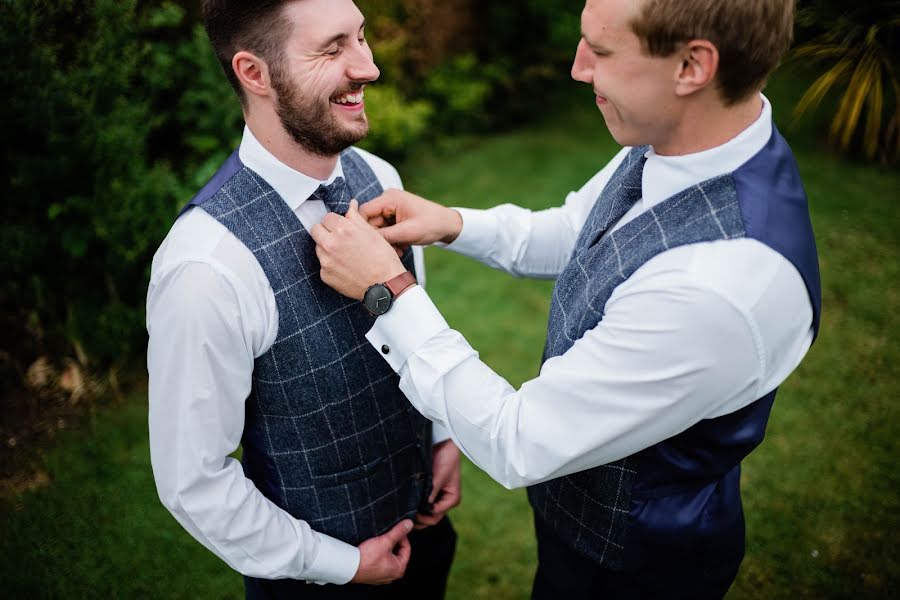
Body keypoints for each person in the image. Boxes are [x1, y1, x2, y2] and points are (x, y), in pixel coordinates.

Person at [311, 0, 820, 597]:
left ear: (691, 67)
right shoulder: (681, 137)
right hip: (577, 529)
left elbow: (519, 440)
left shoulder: (718, 289)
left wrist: (390, 293)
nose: (578, 68)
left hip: (632, 569)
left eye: (601, 51)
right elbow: (578, 230)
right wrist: (451, 222)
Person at [146, 1, 460, 597]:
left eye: (362, 38)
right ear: (254, 73)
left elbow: (415, 324)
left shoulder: (379, 177)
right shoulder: (205, 269)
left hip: (426, 533)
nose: (368, 67)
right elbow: (194, 482)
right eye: (333, 48)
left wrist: (441, 438)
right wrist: (341, 564)